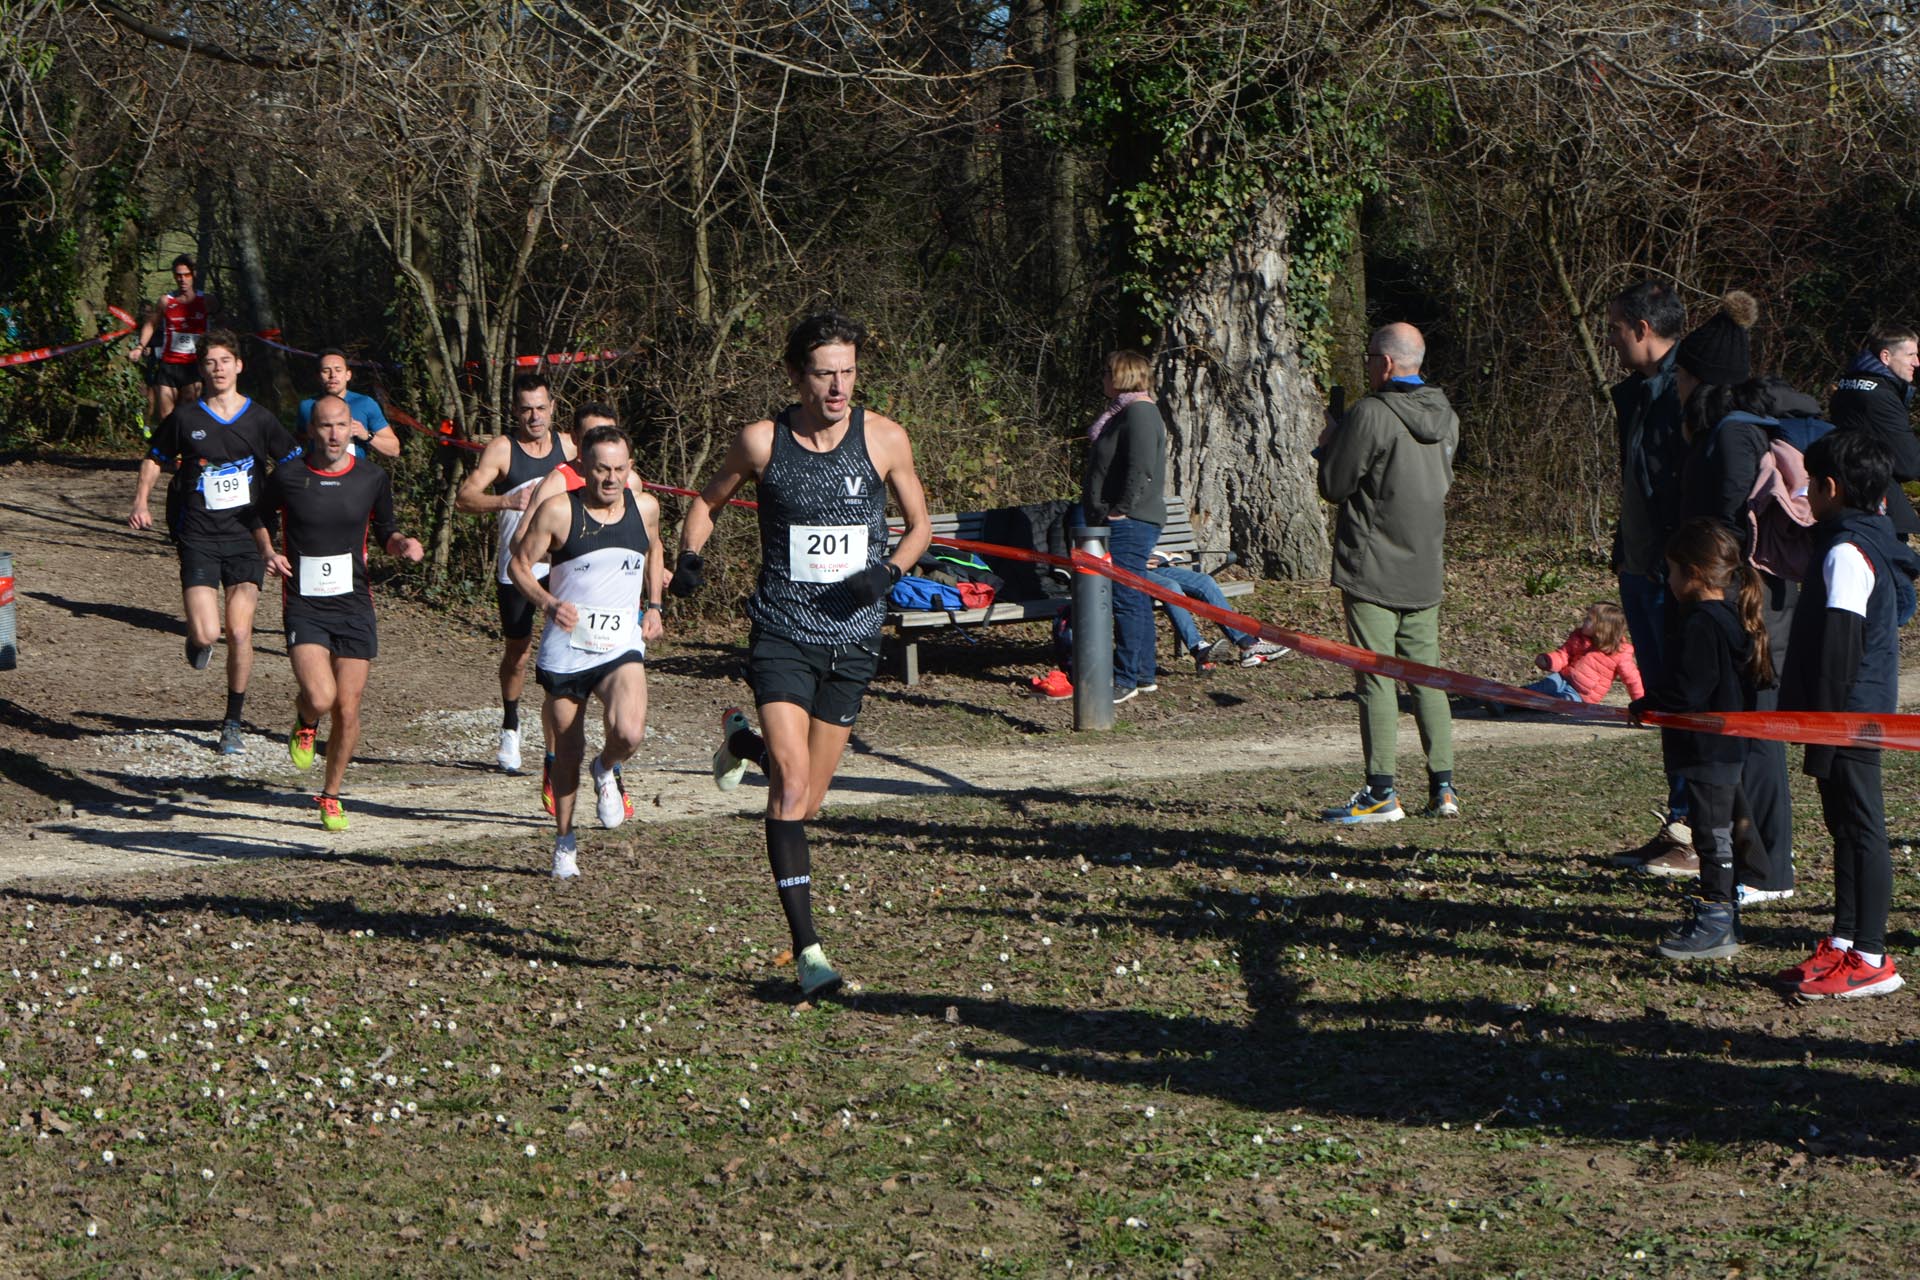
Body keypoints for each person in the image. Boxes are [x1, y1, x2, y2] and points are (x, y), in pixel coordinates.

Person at [675, 311, 932, 998]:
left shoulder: (885, 438)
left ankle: (741, 743)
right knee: (789, 786)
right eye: (825, 374)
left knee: (806, 802)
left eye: (848, 372)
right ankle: (809, 951)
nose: (839, 387)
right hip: (783, 632)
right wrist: (691, 555)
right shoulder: (763, 442)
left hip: (854, 639)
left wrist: (888, 572)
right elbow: (706, 502)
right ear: (797, 376)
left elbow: (920, 526)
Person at [1775, 431, 1920, 999]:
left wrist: (1826, 735)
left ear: (1830, 488)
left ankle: (1873, 956)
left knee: (1862, 829)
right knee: (1844, 827)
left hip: (1849, 716)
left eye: (1810, 483)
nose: (1806, 493)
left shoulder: (1845, 551)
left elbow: (1839, 651)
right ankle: (1844, 940)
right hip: (1849, 714)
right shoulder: (1856, 540)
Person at [128, 328, 302, 755]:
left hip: (248, 536)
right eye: (210, 362)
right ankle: (196, 640)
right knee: (209, 634)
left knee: (239, 632)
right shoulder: (186, 418)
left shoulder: (260, 419)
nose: (218, 369)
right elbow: (155, 458)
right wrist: (141, 501)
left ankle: (232, 723)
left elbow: (293, 464)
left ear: (239, 366)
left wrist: (300, 508)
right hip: (199, 536)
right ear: (201, 370)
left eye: (225, 361)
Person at [253, 395, 423, 829]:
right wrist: (269, 552)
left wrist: (401, 544)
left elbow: (386, 530)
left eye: (341, 425)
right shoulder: (289, 476)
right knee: (321, 697)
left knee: (348, 707)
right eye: (326, 426)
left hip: (353, 604)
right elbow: (257, 516)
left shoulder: (371, 477)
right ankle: (306, 718)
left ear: (353, 429)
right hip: (305, 604)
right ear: (312, 430)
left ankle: (330, 795)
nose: (334, 434)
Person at [1315, 322, 1459, 823]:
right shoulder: (1446, 414)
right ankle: (1443, 788)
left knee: (1375, 677)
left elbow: (1335, 484)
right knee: (1427, 678)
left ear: (1387, 363)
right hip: (1425, 565)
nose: (1368, 366)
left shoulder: (1371, 413)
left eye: (1370, 357)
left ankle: (1381, 792)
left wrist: (1329, 443)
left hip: (1372, 565)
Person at [508, 425, 664, 879]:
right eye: (601, 470)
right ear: (583, 468)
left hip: (620, 645)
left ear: (630, 468)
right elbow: (518, 565)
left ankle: (606, 767)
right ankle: (564, 840)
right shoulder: (559, 511)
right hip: (568, 647)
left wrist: (654, 605)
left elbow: (654, 548)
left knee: (629, 732)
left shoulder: (646, 507)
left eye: (619, 469)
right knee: (566, 750)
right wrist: (548, 603)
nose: (611, 479)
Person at [1673, 364, 1801, 904]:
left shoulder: (1732, 436)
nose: (1677, 386)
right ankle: (1755, 865)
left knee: (1757, 740)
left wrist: (1712, 584)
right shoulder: (1735, 433)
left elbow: (1731, 521)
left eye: (1683, 375)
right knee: (1745, 736)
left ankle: (1771, 873)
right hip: (1747, 598)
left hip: (1752, 600)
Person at [1627, 519, 1772, 960]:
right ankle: (1726, 914)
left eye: (1672, 571)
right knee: (1720, 831)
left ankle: (1715, 921)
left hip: (1706, 749)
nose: (1669, 581)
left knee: (1711, 836)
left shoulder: (1700, 623)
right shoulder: (1731, 617)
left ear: (1693, 573)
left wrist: (1649, 704)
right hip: (1727, 748)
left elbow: (1689, 689)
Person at [509, 401, 639, 818]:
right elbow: (520, 546)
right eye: (592, 438)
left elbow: (642, 539)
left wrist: (654, 588)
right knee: (567, 717)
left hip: (616, 622)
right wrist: (565, 570)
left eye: (609, 434)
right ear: (579, 448)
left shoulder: (631, 485)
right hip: (569, 612)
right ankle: (555, 761)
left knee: (624, 716)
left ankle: (611, 772)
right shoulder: (556, 485)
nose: (609, 470)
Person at [1602, 280, 1694, 866]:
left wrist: (1676, 563)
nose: (1610, 340)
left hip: (1672, 576)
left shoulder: (1687, 391)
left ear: (1642, 328)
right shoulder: (1636, 395)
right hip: (1638, 570)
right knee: (1660, 699)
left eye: (1615, 328)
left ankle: (1695, 830)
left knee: (1684, 700)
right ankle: (1679, 823)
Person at [454, 372, 575, 774]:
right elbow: (464, 499)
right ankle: (510, 724)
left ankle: (560, 738)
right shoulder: (503, 449)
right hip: (517, 569)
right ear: (515, 411)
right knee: (519, 653)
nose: (534, 417)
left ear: (553, 407)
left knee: (567, 652)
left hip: (562, 566)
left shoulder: (570, 447)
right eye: (526, 409)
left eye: (541, 408)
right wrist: (507, 501)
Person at [1081, 350, 1169, 703]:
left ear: (1123, 375)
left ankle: (1125, 677)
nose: (1102, 377)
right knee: (1135, 595)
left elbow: (1141, 466)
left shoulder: (1140, 412)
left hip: (1132, 522)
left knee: (1126, 598)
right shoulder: (1124, 412)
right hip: (1121, 518)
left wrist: (1121, 510)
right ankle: (1143, 673)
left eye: (1107, 371)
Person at [1828, 324, 1920, 541]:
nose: (1917, 362)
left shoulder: (1848, 386)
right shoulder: (1879, 397)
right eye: (1911, 355)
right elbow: (1909, 464)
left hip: (1848, 500)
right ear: (1886, 357)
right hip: (1875, 506)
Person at [1143, 552, 1288, 672]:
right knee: (1171, 588)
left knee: (1205, 582)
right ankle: (1199, 650)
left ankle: (1247, 644)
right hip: (1134, 570)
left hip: (1152, 565)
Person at [127, 255, 213, 431]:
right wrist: (140, 347)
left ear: (194, 275)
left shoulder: (206, 300)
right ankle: (169, 447)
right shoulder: (166, 301)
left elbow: (222, 323)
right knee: (166, 417)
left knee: (188, 415)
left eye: (186, 275)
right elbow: (151, 324)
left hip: (193, 366)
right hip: (168, 365)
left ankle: (188, 446)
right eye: (178, 275)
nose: (182, 279)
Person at [1502, 601, 1643, 706]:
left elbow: (1632, 680)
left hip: (1582, 695)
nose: (1584, 621)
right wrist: (1549, 660)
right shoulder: (1579, 637)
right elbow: (1564, 654)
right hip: (1563, 678)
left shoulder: (1620, 652)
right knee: (1540, 688)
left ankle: (1519, 705)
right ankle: (1503, 701)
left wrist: (1641, 704)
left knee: (1561, 703)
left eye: (1589, 619)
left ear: (1603, 628)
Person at [296, 350, 400, 460]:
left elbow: (394, 450)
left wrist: (366, 435)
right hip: (319, 469)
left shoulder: (365, 403)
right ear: (318, 376)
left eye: (338, 370)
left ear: (348, 375)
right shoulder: (307, 407)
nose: (332, 375)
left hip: (356, 470)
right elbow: (298, 443)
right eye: (326, 371)